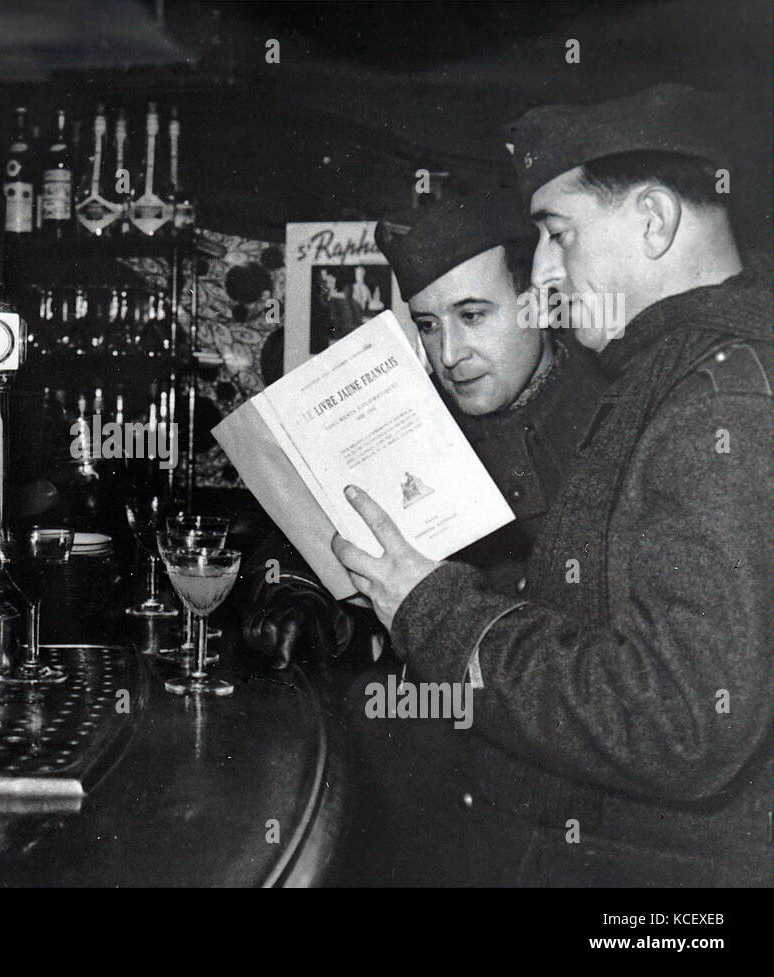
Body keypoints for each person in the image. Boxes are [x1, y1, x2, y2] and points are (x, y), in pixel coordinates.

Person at [327, 84, 772, 885]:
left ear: (653, 220)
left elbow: (680, 719)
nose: (545, 275)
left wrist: (433, 609)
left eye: (559, 235)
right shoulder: (674, 374)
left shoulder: (715, 399)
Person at [243, 191, 608, 667]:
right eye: (429, 325)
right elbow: (311, 526)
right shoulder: (410, 411)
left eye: (472, 316)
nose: (449, 354)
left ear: (538, 303)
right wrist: (300, 593)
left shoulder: (611, 415)